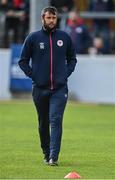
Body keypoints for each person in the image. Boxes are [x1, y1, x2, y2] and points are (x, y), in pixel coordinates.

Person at [18, 6, 77, 166]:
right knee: (43, 123)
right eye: (49, 18)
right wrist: (34, 76)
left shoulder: (64, 37)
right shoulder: (33, 38)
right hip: (39, 89)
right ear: (42, 19)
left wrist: (65, 73)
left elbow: (72, 59)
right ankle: (46, 152)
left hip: (59, 88)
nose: (52, 20)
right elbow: (22, 61)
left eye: (54, 18)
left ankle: (53, 157)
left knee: (55, 120)